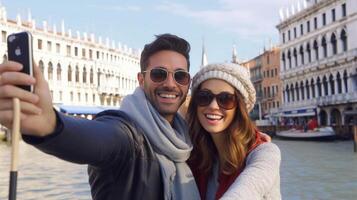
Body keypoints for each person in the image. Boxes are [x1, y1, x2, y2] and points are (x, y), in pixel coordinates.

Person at [0, 33, 273, 200]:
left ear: (187, 84)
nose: (169, 84)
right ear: (142, 80)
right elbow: (98, 138)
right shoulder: (126, 134)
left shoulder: (188, 143)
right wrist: (50, 125)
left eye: (179, 76)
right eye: (158, 74)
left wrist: (255, 142)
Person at [186, 63, 281, 200]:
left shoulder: (265, 153)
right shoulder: (195, 152)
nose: (213, 106)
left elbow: (249, 188)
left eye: (225, 99)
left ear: (239, 108)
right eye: (204, 97)